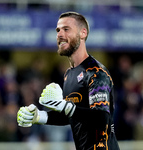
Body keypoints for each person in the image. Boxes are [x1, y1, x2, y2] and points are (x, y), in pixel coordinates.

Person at [17, 12, 120, 150]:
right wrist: (39, 116)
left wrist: (64, 106)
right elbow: (71, 115)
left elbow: (101, 119)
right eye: (58, 30)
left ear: (83, 33)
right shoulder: (69, 74)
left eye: (66, 29)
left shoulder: (96, 72)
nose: (59, 34)